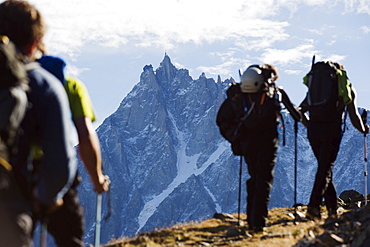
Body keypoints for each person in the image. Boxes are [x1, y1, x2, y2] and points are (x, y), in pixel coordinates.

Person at [0, 1, 77, 246]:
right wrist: (45, 196)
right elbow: (60, 166)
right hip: (9, 212)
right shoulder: (44, 85)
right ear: (35, 42)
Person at [216, 64, 302, 233]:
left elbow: (221, 118)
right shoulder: (275, 91)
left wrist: (235, 138)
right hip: (268, 142)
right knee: (264, 181)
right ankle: (258, 224)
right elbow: (296, 115)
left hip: (247, 142)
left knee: (255, 177)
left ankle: (251, 220)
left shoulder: (240, 95)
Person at [35, 54, 110, 246]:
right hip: (56, 176)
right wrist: (97, 178)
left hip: (13, 177)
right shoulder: (69, 86)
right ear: (37, 43)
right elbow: (85, 137)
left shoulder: (10, 84)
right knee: (70, 236)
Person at [299, 61, 370, 219]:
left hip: (314, 131)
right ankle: (313, 207)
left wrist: (309, 125)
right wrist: (363, 129)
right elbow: (353, 116)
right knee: (324, 168)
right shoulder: (344, 86)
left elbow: (300, 110)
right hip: (331, 131)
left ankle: (332, 209)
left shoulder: (315, 89)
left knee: (325, 168)